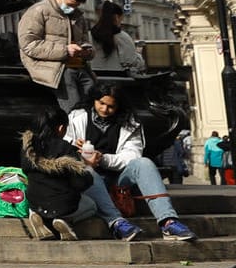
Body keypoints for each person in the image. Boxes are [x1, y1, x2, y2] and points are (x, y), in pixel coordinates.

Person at [65, 83, 196, 241]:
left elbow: (132, 155)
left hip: (118, 180)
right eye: (101, 103)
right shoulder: (76, 117)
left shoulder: (130, 123)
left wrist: (102, 158)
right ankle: (117, 223)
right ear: (94, 100)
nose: (105, 110)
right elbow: (64, 146)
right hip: (88, 180)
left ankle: (168, 221)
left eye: (111, 106)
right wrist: (81, 155)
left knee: (144, 163)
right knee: (87, 170)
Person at [19, 106, 105, 241]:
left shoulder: (29, 148)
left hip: (36, 201)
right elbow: (81, 183)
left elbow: (25, 170)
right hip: (62, 205)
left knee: (39, 200)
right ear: (60, 128)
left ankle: (38, 216)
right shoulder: (65, 148)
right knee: (91, 206)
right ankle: (64, 220)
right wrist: (88, 166)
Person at [17, 0, 96, 111]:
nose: (72, 9)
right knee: (74, 111)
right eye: (70, 5)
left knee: (95, 103)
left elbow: (85, 41)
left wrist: (87, 51)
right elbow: (29, 45)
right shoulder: (38, 11)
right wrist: (65, 50)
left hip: (80, 67)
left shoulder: (78, 16)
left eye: (76, 6)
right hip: (55, 69)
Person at [90, 0, 146, 75]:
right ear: (117, 17)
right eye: (121, 19)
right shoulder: (122, 37)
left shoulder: (90, 35)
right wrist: (139, 56)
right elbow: (131, 62)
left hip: (95, 76)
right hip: (118, 78)